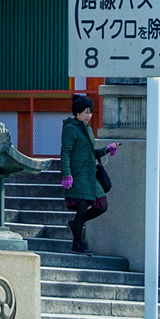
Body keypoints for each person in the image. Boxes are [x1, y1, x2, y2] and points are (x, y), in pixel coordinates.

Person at [59, 93, 118, 255]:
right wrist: (66, 174)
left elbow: (90, 152)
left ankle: (75, 225)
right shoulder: (70, 129)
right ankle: (77, 243)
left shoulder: (88, 129)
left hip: (90, 175)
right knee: (83, 208)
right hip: (77, 175)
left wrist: (107, 149)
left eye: (90, 112)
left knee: (102, 206)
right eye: (86, 112)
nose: (89, 115)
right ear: (77, 112)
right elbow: (65, 153)